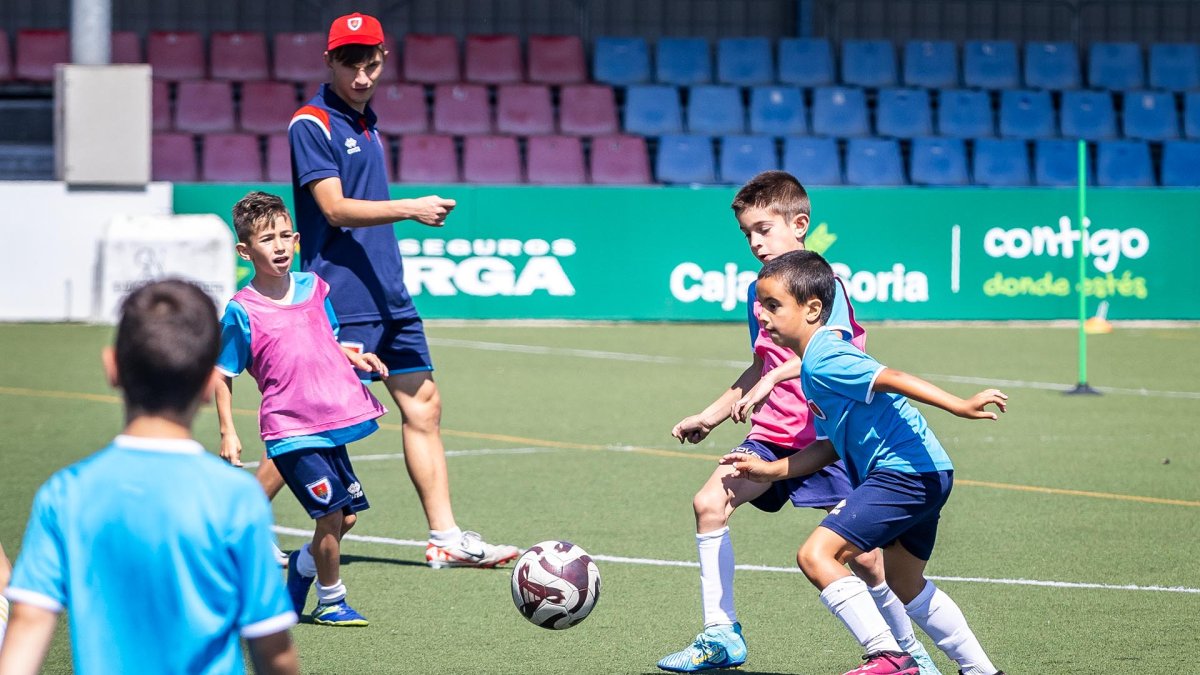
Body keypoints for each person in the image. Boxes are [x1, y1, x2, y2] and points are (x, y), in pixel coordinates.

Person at [658, 172, 938, 674]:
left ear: (800, 224)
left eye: (763, 229)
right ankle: (722, 633)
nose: (755, 242)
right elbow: (759, 364)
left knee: (869, 560)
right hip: (771, 436)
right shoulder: (758, 291)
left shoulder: (823, 287)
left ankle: (907, 652)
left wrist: (773, 380)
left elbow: (831, 356)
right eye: (747, 234)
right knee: (709, 502)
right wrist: (711, 414)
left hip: (828, 440)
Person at [284, 10, 517, 568]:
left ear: (383, 60)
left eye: (370, 63)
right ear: (329, 61)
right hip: (342, 296)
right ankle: (228, 530)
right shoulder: (311, 123)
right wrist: (411, 208)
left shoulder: (367, 121)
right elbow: (334, 209)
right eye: (349, 64)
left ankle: (445, 537)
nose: (361, 76)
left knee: (425, 408)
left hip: (389, 294)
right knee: (312, 425)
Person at [722, 249, 1007, 675]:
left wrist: (959, 405)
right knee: (905, 584)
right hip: (928, 472)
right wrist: (771, 471)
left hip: (903, 474)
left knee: (816, 555)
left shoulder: (826, 357)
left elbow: (891, 377)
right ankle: (983, 671)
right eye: (760, 304)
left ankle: (887, 656)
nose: (761, 315)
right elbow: (830, 447)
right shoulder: (813, 366)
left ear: (814, 308)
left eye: (774, 305)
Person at [0, 280, 298, 675]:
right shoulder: (236, 496)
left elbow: (27, 631)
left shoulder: (65, 494)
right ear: (211, 384)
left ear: (113, 369)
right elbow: (272, 648)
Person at [215, 191, 388, 627]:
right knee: (330, 515)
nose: (278, 245)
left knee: (345, 518)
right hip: (290, 431)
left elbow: (327, 339)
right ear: (244, 250)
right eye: (266, 238)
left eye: (284, 236)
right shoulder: (242, 310)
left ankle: (302, 568)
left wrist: (355, 356)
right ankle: (331, 600)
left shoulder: (314, 287)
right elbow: (223, 373)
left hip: (332, 421)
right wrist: (227, 432)